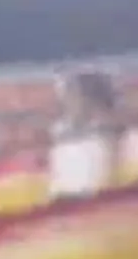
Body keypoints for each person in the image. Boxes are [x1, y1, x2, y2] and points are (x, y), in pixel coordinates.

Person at [48, 71, 121, 199]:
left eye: (73, 95)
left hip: (88, 196)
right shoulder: (63, 131)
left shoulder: (101, 136)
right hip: (65, 197)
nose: (69, 103)